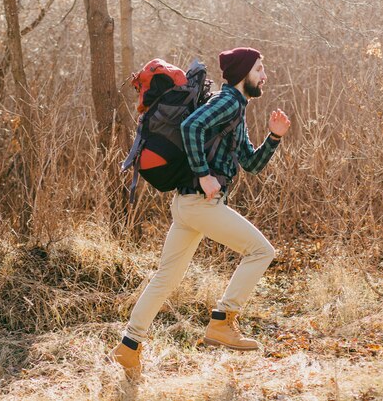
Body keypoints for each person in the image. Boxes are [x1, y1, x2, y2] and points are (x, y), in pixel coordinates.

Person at [111, 47, 291, 379]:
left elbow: (250, 163)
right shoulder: (225, 102)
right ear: (242, 74)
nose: (264, 75)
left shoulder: (236, 108)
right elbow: (191, 127)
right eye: (259, 69)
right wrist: (204, 173)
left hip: (188, 205)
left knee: (165, 279)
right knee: (261, 251)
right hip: (200, 202)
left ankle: (128, 346)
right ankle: (223, 321)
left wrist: (274, 137)